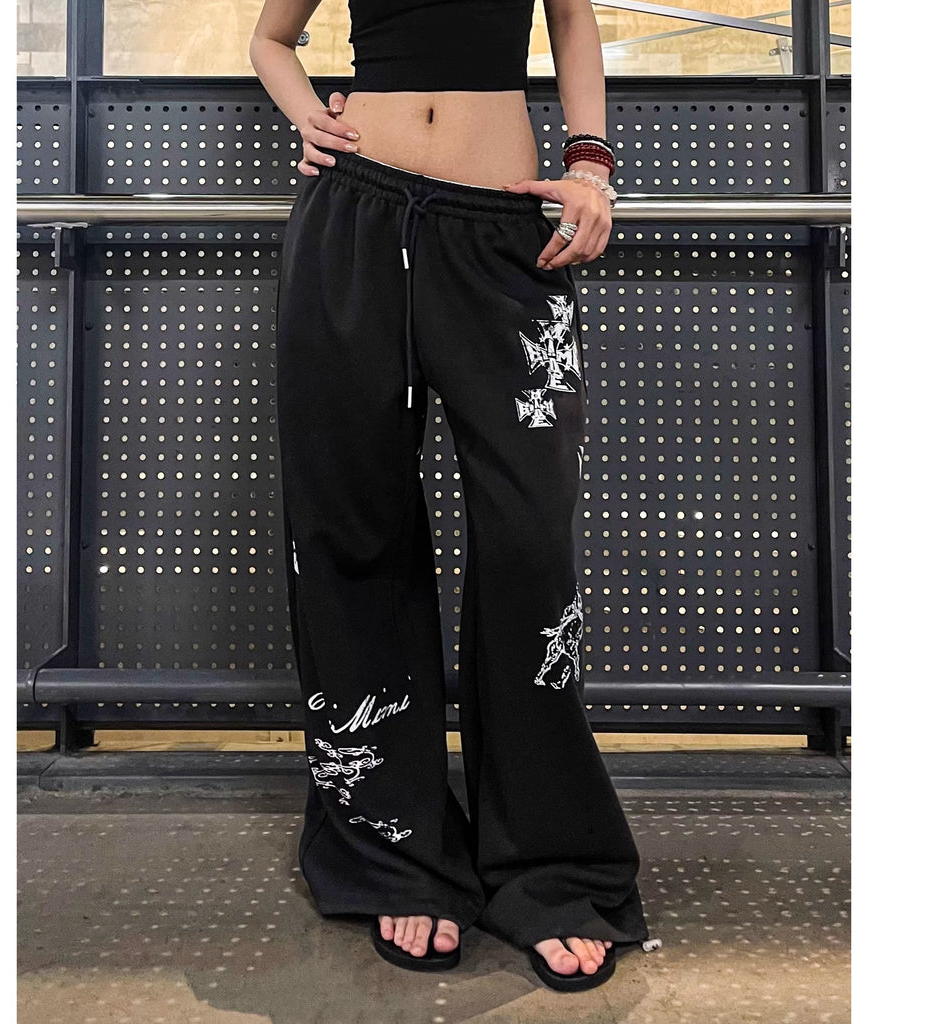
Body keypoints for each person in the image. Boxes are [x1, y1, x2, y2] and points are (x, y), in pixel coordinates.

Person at [249, 0, 658, 992]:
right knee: (355, 529)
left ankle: (549, 863)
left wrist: (592, 162)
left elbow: (572, 22)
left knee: (529, 542)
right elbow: (270, 39)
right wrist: (307, 118)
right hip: (355, 218)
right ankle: (396, 850)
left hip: (503, 232)